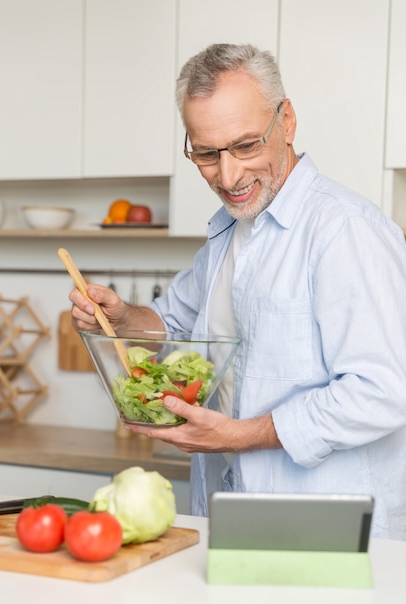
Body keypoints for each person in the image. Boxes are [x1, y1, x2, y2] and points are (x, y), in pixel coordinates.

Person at [70, 43, 406, 539]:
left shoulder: (344, 230)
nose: (228, 177)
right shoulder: (230, 232)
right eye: (206, 153)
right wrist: (124, 320)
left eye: (246, 146)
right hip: (228, 516)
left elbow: (383, 393)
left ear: (286, 121)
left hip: (325, 531)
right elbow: (177, 323)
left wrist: (241, 435)